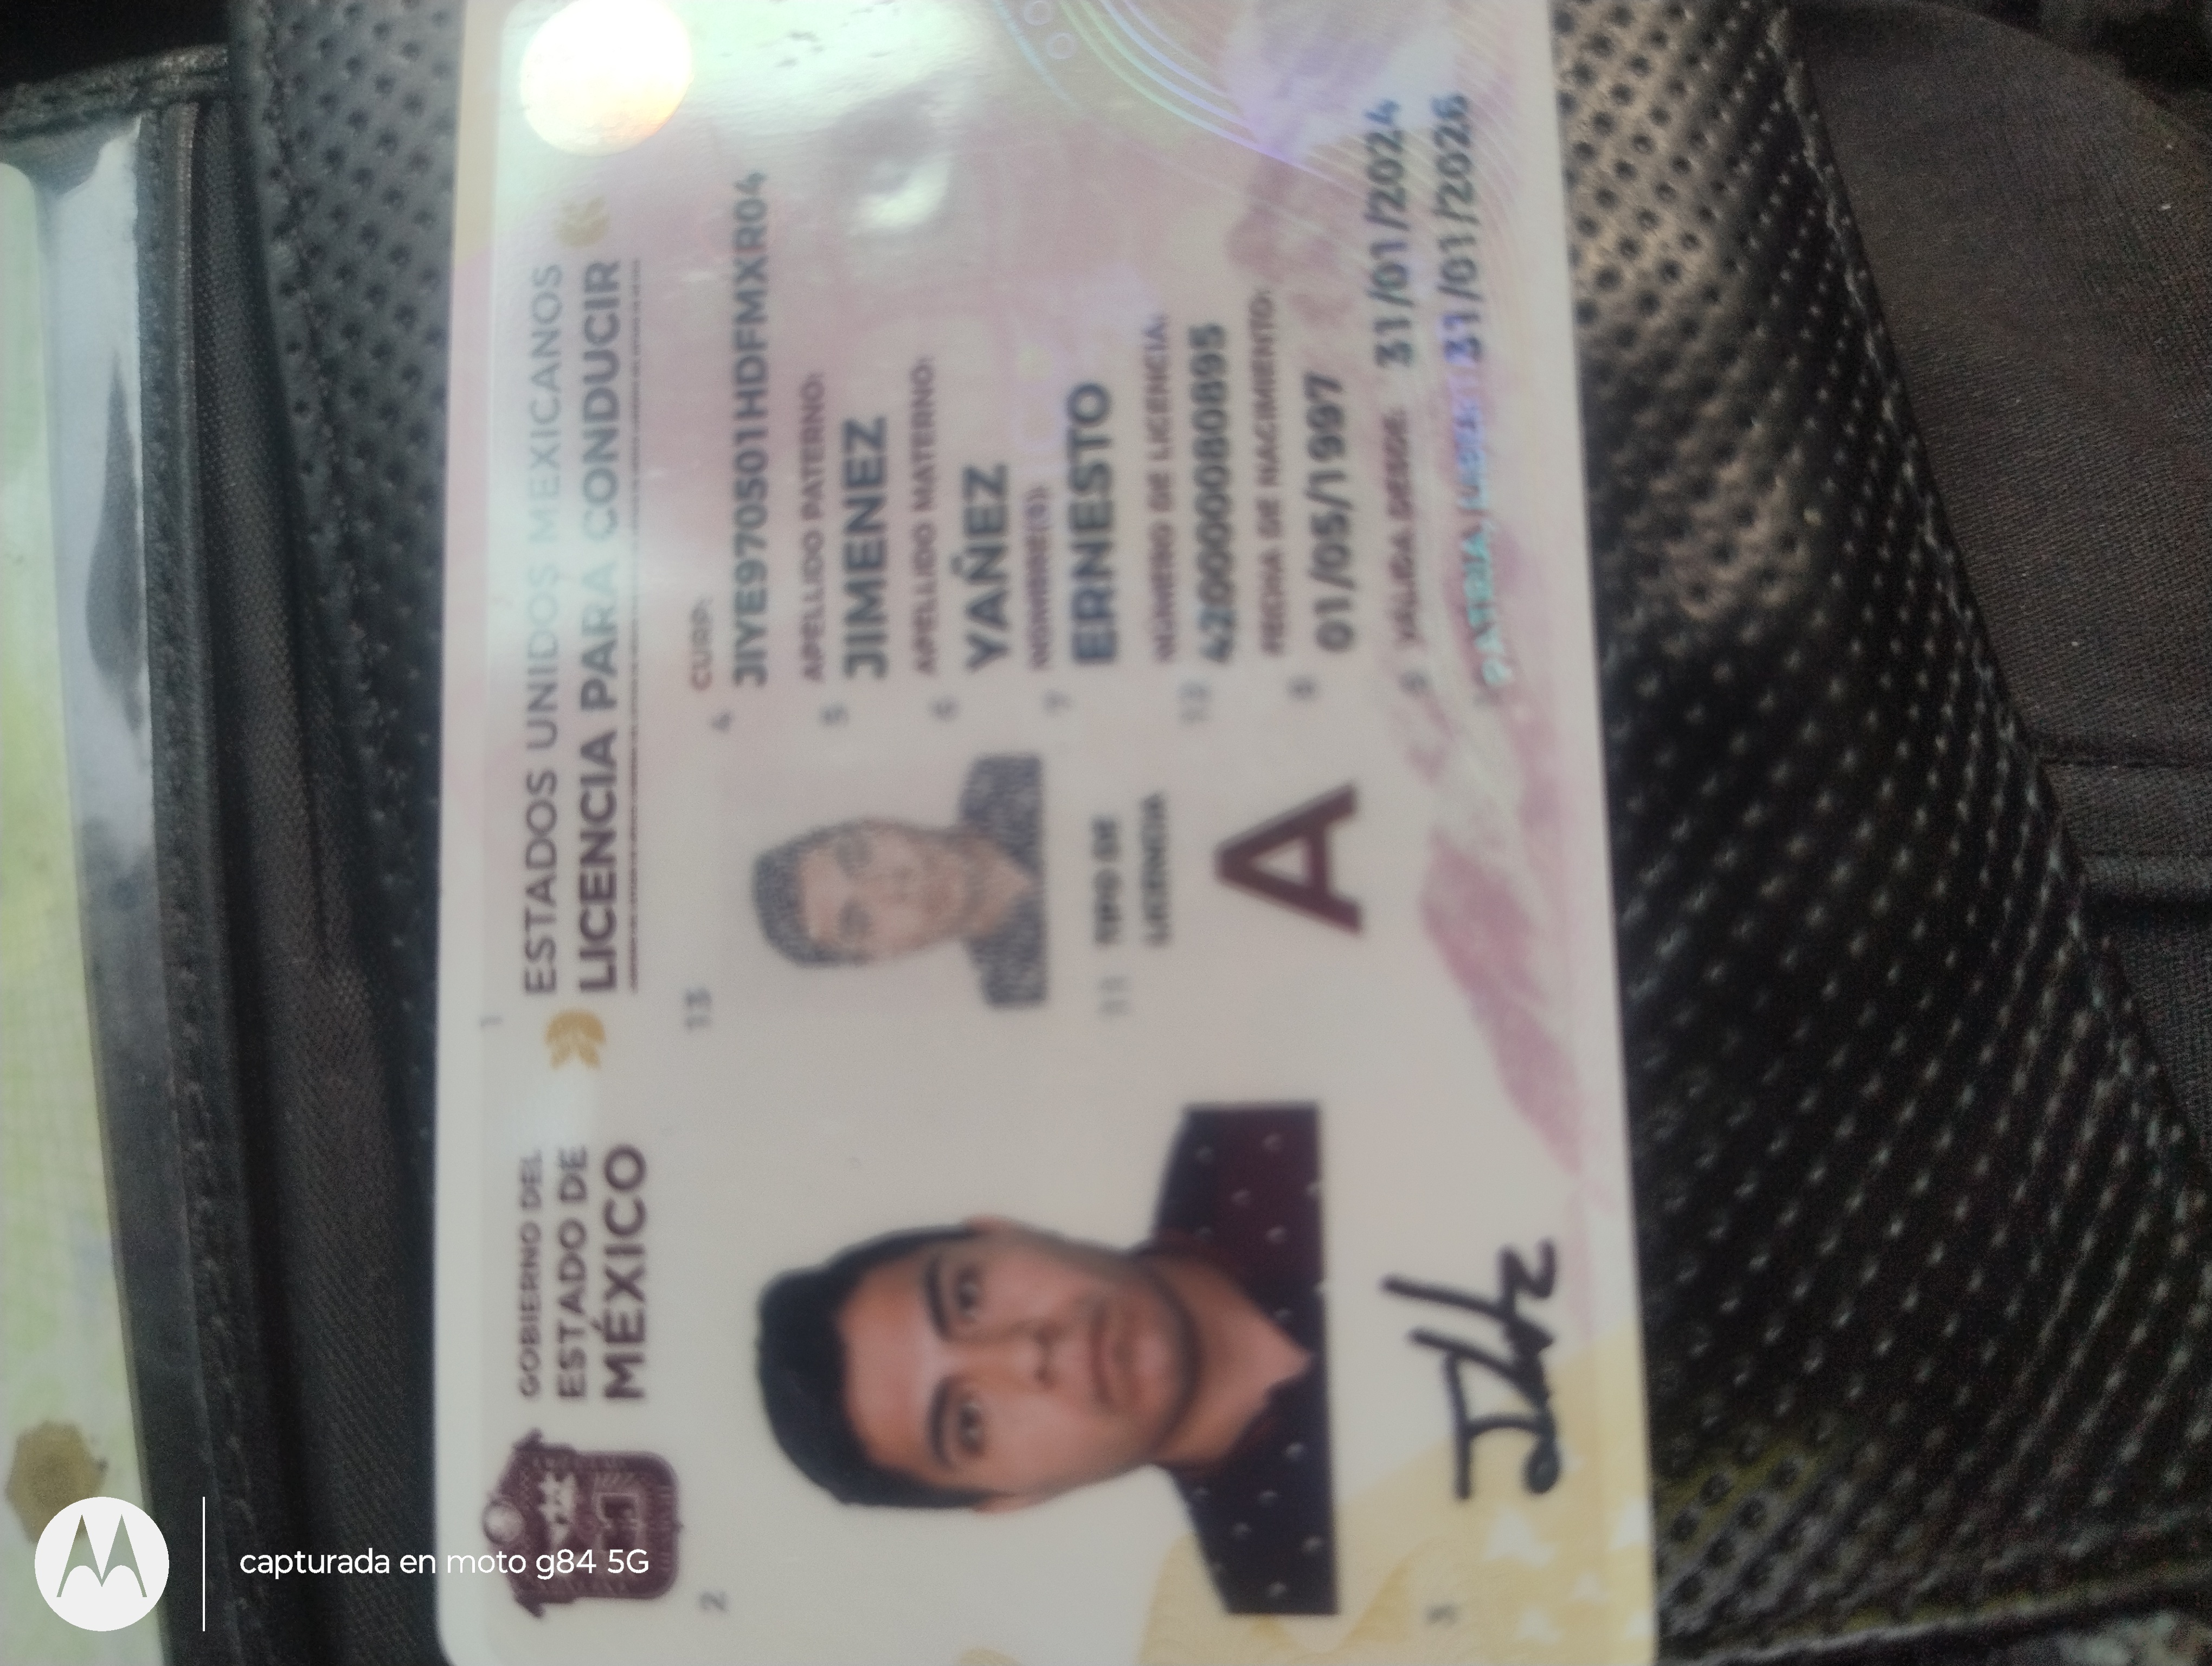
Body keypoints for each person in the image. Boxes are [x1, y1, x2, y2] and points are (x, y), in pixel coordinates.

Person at [756, 1106, 1335, 1614]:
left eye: (968, 1296)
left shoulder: (1258, 1129)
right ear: (1014, 1499)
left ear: (1002, 1231)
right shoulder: (1285, 1593)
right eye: (969, 1422)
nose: (1025, 1352)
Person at [751, 753, 1044, 1005]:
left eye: (859, 855)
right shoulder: (1017, 992)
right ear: (878, 958)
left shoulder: (1012, 774)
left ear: (876, 823)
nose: (892, 886)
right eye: (860, 921)